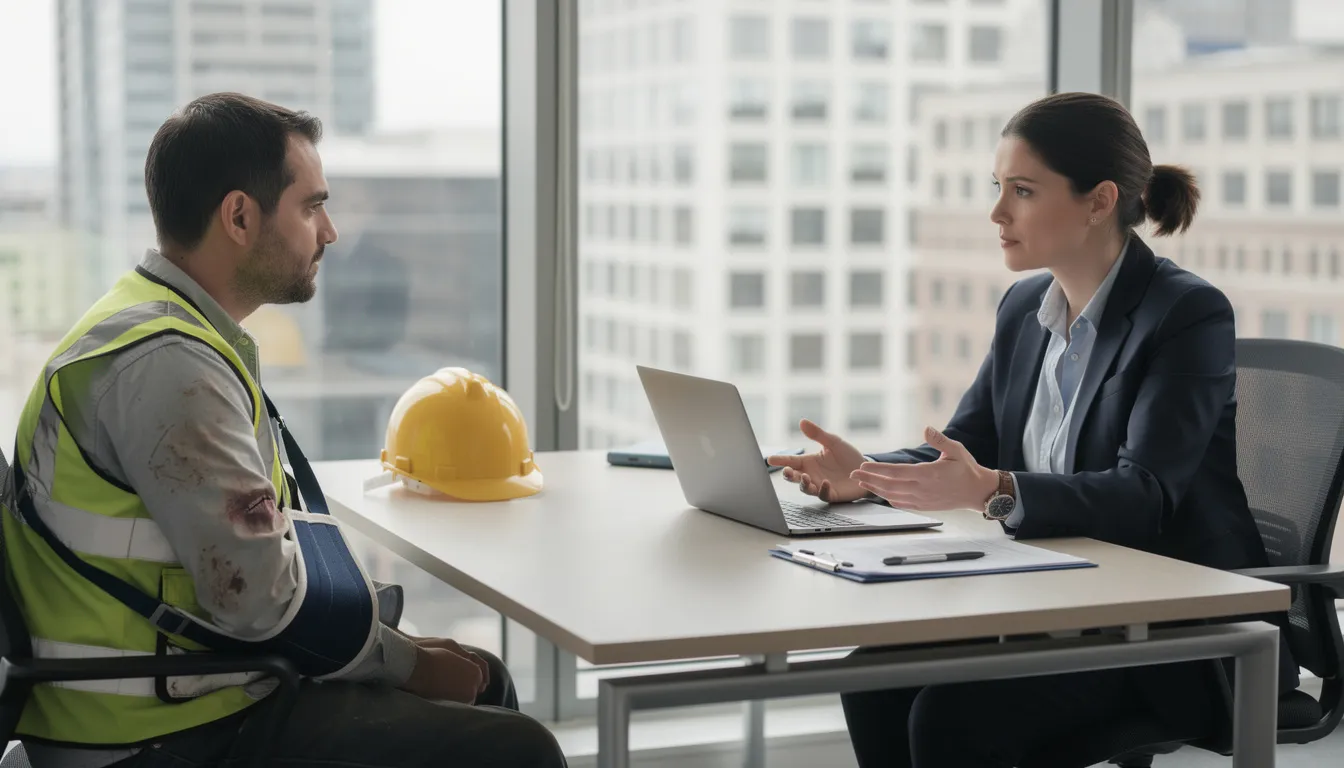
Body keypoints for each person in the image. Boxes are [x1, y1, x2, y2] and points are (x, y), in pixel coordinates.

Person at [3, 93, 566, 768]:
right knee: (518, 747)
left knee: (484, 681)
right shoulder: (166, 366)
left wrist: (394, 649)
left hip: (196, 687)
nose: (328, 231)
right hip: (164, 734)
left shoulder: (163, 328)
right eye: (310, 206)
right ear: (240, 216)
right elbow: (259, 600)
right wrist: (408, 664)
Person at [769, 92, 1298, 768]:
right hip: (1058, 604)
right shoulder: (1025, 308)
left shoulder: (1185, 314)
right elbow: (970, 445)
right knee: (873, 682)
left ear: (1099, 201)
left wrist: (993, 489)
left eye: (1022, 190)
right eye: (998, 188)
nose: (997, 212)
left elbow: (1145, 494)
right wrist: (867, 474)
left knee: (951, 717)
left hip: (1187, 632)